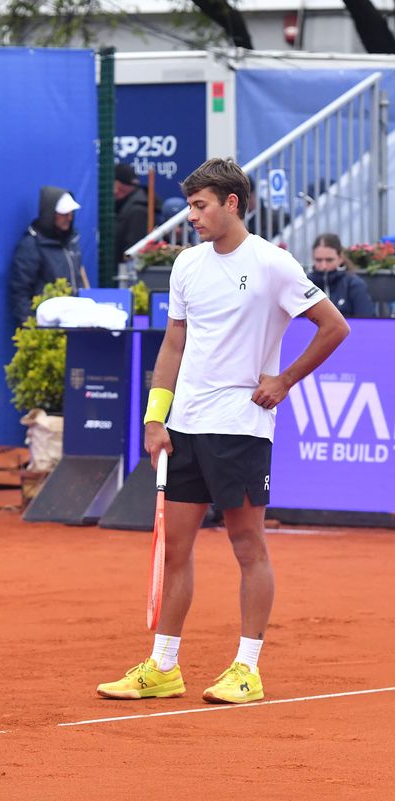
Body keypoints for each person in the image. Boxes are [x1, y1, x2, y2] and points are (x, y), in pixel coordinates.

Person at [97, 158, 349, 705]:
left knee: (246, 544)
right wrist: (154, 416)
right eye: (190, 206)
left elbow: (335, 327)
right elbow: (174, 344)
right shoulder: (187, 264)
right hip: (185, 423)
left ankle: (246, 668)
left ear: (232, 203)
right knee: (177, 548)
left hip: (240, 426)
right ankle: (163, 666)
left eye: (200, 206)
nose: (192, 216)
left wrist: (283, 381)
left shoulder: (272, 265)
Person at [9, 186, 89, 324]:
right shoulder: (31, 245)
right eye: (64, 213)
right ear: (50, 214)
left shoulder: (72, 241)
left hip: (75, 324)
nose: (69, 218)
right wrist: (35, 325)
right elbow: (20, 292)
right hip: (47, 330)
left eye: (71, 213)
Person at [308, 233, 374, 318]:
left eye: (329, 260)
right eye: (318, 260)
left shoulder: (354, 284)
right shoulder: (306, 284)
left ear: (340, 259)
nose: (323, 266)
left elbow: (366, 320)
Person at [113, 163, 150, 263]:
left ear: (118, 184)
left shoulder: (138, 209)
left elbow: (134, 247)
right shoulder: (127, 203)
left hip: (127, 272)